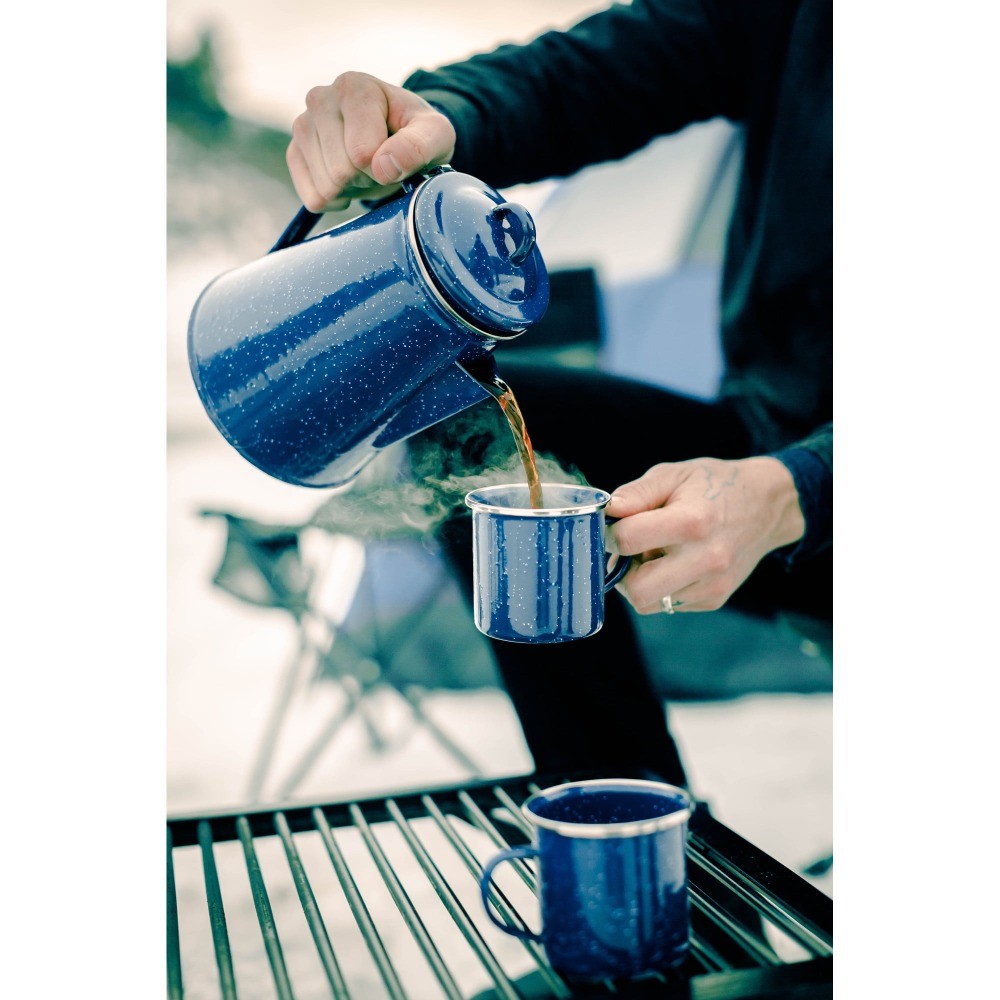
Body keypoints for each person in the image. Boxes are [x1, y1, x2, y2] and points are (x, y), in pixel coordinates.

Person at [285, 0, 832, 787]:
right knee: (467, 411)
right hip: (766, 434)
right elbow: (600, 71)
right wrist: (441, 115)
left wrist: (800, 490)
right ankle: (620, 822)